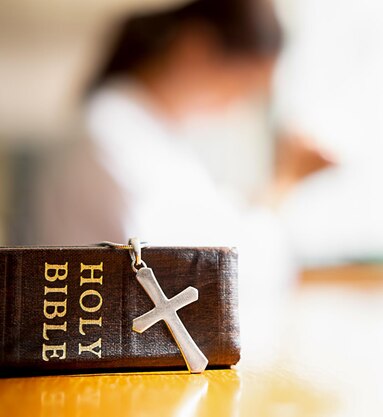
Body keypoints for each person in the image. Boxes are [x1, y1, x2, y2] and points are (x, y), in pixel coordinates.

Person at [35, 0, 332, 361]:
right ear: (197, 48)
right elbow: (199, 275)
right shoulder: (110, 133)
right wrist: (285, 181)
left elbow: (219, 245)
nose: (235, 106)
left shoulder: (156, 138)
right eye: (242, 86)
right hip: (103, 355)